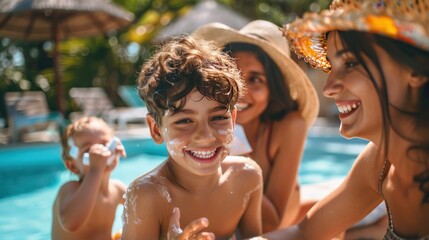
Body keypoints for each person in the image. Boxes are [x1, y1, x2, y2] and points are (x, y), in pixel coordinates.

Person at [255, 0, 429, 239]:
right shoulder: (381, 163)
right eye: (330, 67)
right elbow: (304, 232)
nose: (328, 88)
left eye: (350, 63)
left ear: (415, 71)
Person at [121, 35, 263, 239]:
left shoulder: (247, 177)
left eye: (218, 117)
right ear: (156, 130)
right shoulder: (147, 196)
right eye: (184, 121)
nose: (205, 136)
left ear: (233, 119)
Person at [192, 20, 320, 233]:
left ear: (273, 87)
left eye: (255, 79)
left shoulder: (290, 125)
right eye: (233, 74)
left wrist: (229, 158)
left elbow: (271, 223)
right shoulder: (206, 122)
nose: (240, 91)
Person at [52, 116, 127, 240]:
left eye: (105, 145)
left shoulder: (117, 189)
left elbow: (144, 210)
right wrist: (95, 169)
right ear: (72, 166)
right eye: (89, 150)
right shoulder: (70, 189)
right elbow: (71, 224)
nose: (100, 153)